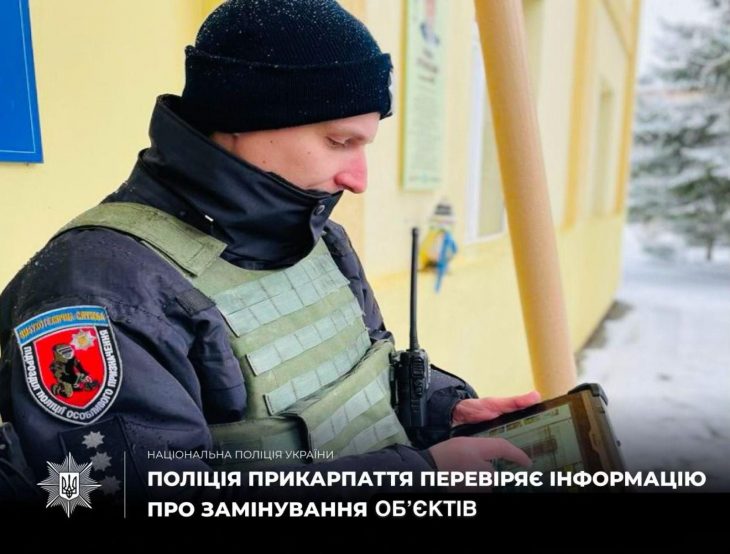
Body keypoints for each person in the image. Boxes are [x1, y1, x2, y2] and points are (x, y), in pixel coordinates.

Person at [0, 0, 539, 505]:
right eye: (339, 142)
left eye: (364, 144)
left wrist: (444, 411)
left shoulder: (317, 236)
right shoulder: (96, 290)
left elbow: (359, 377)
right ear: (243, 117)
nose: (359, 179)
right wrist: (415, 478)